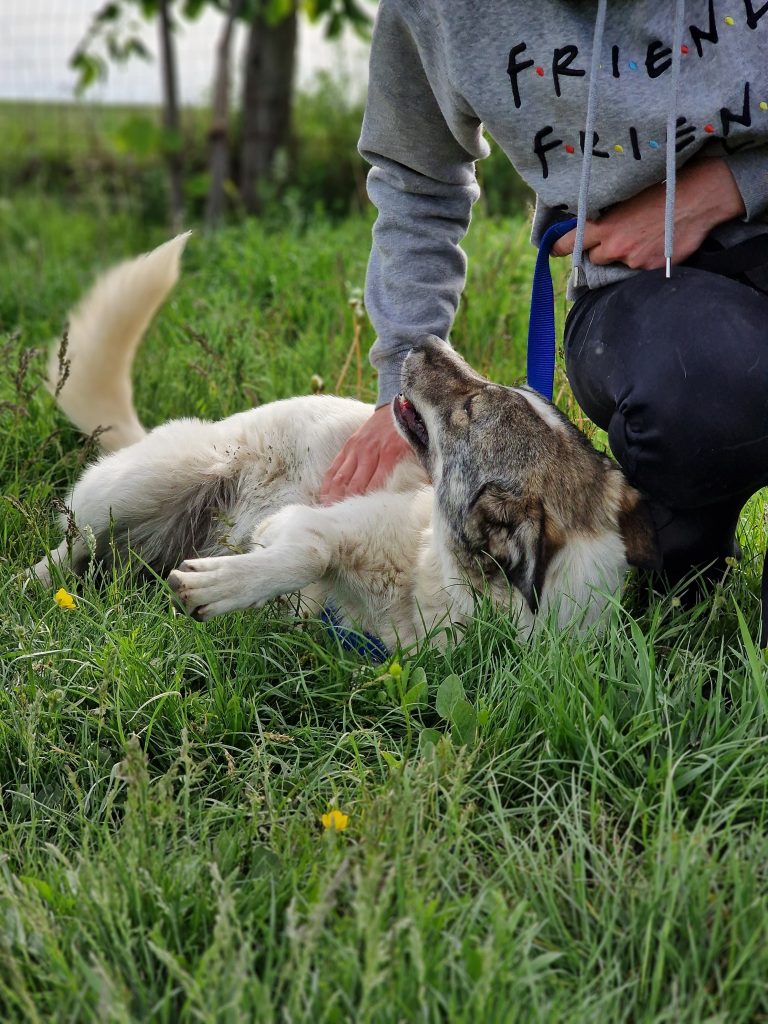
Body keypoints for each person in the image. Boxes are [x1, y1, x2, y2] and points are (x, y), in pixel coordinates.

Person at [320, 0, 768, 584]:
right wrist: (406, 401)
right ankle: (685, 552)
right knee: (694, 381)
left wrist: (721, 191)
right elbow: (416, 181)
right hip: (644, 292)